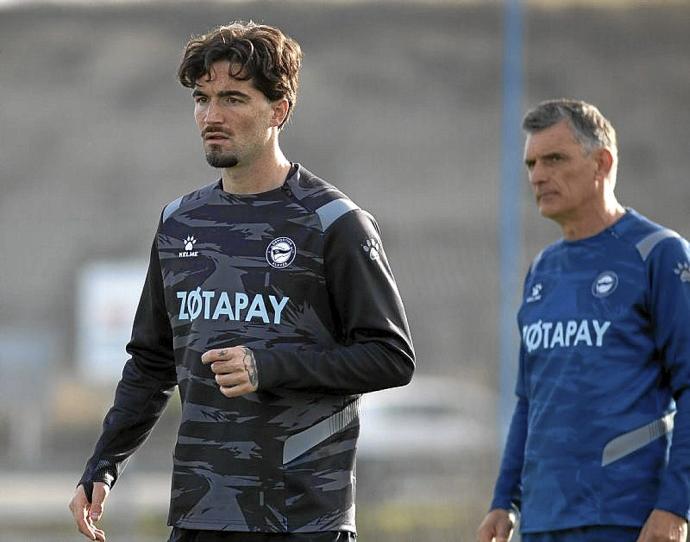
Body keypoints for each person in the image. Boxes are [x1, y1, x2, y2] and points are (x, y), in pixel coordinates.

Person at [68, 21, 415, 542]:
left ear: (280, 109)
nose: (212, 115)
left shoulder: (335, 223)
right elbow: (151, 362)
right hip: (199, 514)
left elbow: (391, 356)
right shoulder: (179, 221)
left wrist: (268, 365)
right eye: (202, 98)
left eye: (233, 97)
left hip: (303, 517)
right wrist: (103, 464)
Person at [477, 99, 690, 542]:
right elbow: (528, 400)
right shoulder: (542, 271)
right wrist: (504, 501)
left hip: (626, 519)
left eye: (554, 159)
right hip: (542, 520)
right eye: (531, 163)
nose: (537, 175)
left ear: (602, 163)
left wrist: (675, 506)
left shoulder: (659, 255)